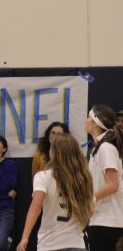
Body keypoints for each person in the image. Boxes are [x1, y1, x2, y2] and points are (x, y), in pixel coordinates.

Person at [16, 133, 93, 251]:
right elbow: (90, 210)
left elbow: (35, 207)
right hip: (76, 242)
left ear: (54, 153)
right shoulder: (83, 178)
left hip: (49, 243)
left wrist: (25, 237)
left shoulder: (43, 176)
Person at [85, 105, 123, 250]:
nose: (86, 121)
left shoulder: (106, 148)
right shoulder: (98, 149)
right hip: (100, 221)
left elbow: (113, 185)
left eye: (89, 117)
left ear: (96, 123)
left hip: (110, 223)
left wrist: (88, 200)